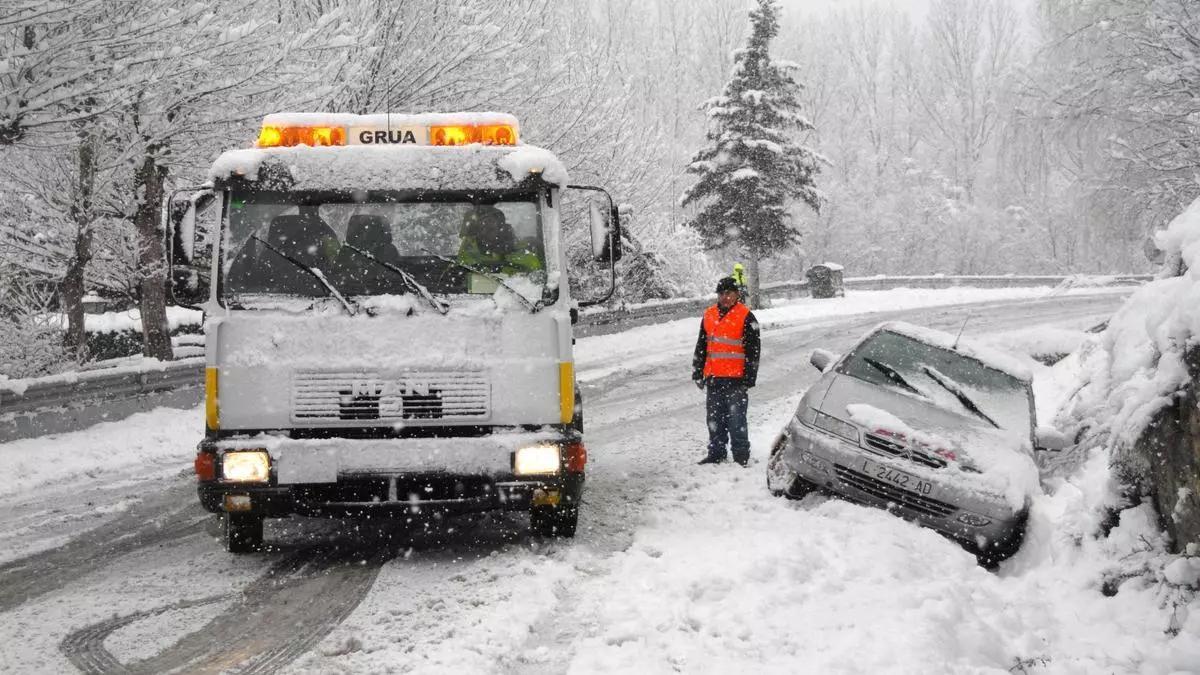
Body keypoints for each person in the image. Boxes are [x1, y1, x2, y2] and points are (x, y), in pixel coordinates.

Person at [692, 276, 761, 466]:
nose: (724, 297)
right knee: (714, 420)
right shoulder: (709, 314)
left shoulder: (746, 317)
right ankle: (716, 453)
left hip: (736, 380)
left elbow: (753, 351)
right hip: (714, 378)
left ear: (737, 294)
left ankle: (741, 456)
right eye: (721, 293)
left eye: (728, 293)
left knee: (736, 420)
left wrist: (749, 377)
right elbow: (702, 346)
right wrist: (697, 372)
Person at [458, 205, 541, 275]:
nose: (487, 226)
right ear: (477, 231)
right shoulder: (468, 253)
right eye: (483, 224)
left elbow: (537, 277)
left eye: (491, 222)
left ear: (501, 226)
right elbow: (459, 276)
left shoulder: (521, 252)